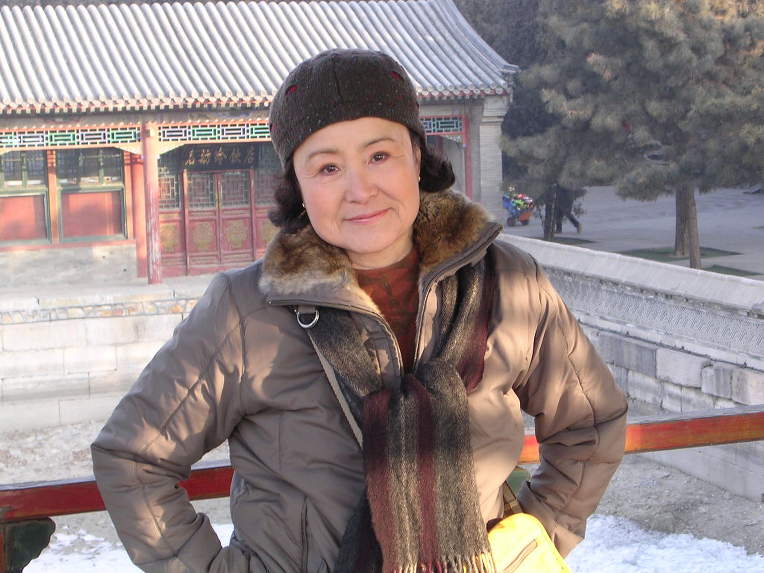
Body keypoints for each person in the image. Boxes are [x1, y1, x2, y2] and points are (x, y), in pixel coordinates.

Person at [92, 49, 627, 573]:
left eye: (379, 156)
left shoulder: (504, 280)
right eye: (327, 167)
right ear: (298, 185)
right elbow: (134, 457)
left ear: (416, 157)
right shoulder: (247, 310)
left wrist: (533, 540)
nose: (360, 190)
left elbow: (590, 419)